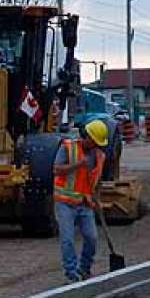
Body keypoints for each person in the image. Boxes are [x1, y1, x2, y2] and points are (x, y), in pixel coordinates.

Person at [52, 119, 108, 282]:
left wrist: (97, 197)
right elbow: (56, 170)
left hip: (85, 203)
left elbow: (97, 179)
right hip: (65, 202)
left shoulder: (99, 156)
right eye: (94, 141)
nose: (96, 145)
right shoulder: (68, 147)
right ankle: (71, 273)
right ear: (87, 136)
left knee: (92, 238)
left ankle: (84, 268)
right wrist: (77, 165)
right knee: (67, 239)